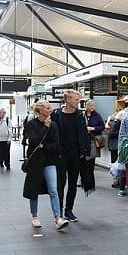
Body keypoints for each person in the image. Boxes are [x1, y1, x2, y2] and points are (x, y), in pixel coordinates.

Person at [22, 100, 69, 231]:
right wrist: (45, 128)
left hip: (50, 161)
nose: (51, 110)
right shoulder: (31, 125)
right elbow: (33, 141)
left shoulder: (53, 125)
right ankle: (34, 216)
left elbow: (57, 144)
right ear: (40, 110)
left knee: (53, 190)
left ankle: (58, 218)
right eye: (48, 108)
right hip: (35, 162)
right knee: (34, 190)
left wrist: (44, 146)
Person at [50, 90, 90, 222]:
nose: (78, 102)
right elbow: (52, 133)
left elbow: (84, 133)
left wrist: (86, 152)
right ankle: (59, 212)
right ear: (67, 100)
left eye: (78, 99)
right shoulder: (56, 115)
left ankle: (69, 210)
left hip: (76, 155)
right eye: (75, 99)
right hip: (60, 155)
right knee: (60, 184)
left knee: (73, 184)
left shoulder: (79, 115)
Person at [83, 100, 105, 194]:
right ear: (86, 106)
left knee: (91, 162)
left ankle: (91, 183)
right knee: (83, 162)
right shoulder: (81, 115)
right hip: (83, 141)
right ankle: (84, 181)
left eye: (93, 105)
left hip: (92, 141)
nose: (92, 107)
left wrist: (93, 128)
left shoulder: (97, 116)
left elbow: (102, 127)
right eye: (90, 105)